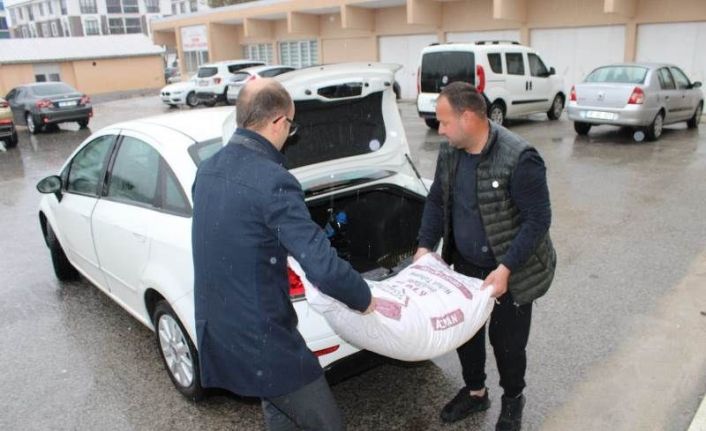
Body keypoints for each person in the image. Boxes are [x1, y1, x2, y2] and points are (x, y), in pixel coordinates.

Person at [192, 78, 375, 430]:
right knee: (327, 424)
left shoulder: (208, 169)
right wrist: (365, 298)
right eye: (291, 125)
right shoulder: (272, 180)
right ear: (278, 122)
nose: (290, 134)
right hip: (264, 339)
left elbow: (235, 236)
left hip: (221, 326)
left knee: (278, 409)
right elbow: (322, 266)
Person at [415, 82, 556, 431]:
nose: (441, 130)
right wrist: (424, 246)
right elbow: (436, 200)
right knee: (467, 336)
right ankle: (476, 393)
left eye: (445, 122)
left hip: (513, 269)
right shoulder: (451, 151)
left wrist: (506, 268)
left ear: (467, 117)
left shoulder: (519, 157)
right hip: (464, 264)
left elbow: (539, 219)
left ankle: (512, 400)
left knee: (507, 345)